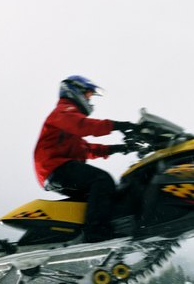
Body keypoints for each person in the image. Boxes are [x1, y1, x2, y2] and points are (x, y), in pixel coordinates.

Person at [34, 75, 138, 242]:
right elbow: (83, 126)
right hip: (54, 167)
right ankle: (96, 233)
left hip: (56, 169)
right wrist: (119, 125)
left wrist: (119, 148)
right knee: (102, 180)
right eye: (89, 94)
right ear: (76, 91)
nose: (90, 100)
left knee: (104, 195)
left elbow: (86, 149)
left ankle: (82, 232)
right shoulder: (63, 111)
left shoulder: (67, 120)